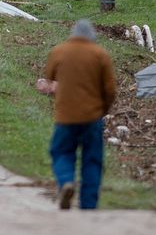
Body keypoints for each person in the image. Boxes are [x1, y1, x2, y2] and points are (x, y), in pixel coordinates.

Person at [40, 19, 117, 210]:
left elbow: (50, 78)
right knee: (92, 160)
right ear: (92, 36)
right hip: (92, 117)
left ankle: (66, 181)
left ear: (73, 34)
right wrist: (103, 110)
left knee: (61, 151)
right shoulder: (100, 54)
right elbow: (110, 90)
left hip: (65, 116)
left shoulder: (59, 51)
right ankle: (89, 205)